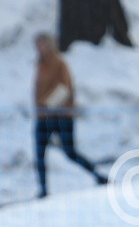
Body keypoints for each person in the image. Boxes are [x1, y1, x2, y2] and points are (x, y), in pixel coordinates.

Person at [32, 32, 108, 198]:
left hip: (62, 116)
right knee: (39, 154)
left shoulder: (60, 64)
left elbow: (65, 89)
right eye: (37, 45)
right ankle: (43, 190)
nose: (38, 48)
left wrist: (48, 106)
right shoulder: (40, 65)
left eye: (41, 44)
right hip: (43, 117)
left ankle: (98, 175)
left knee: (70, 152)